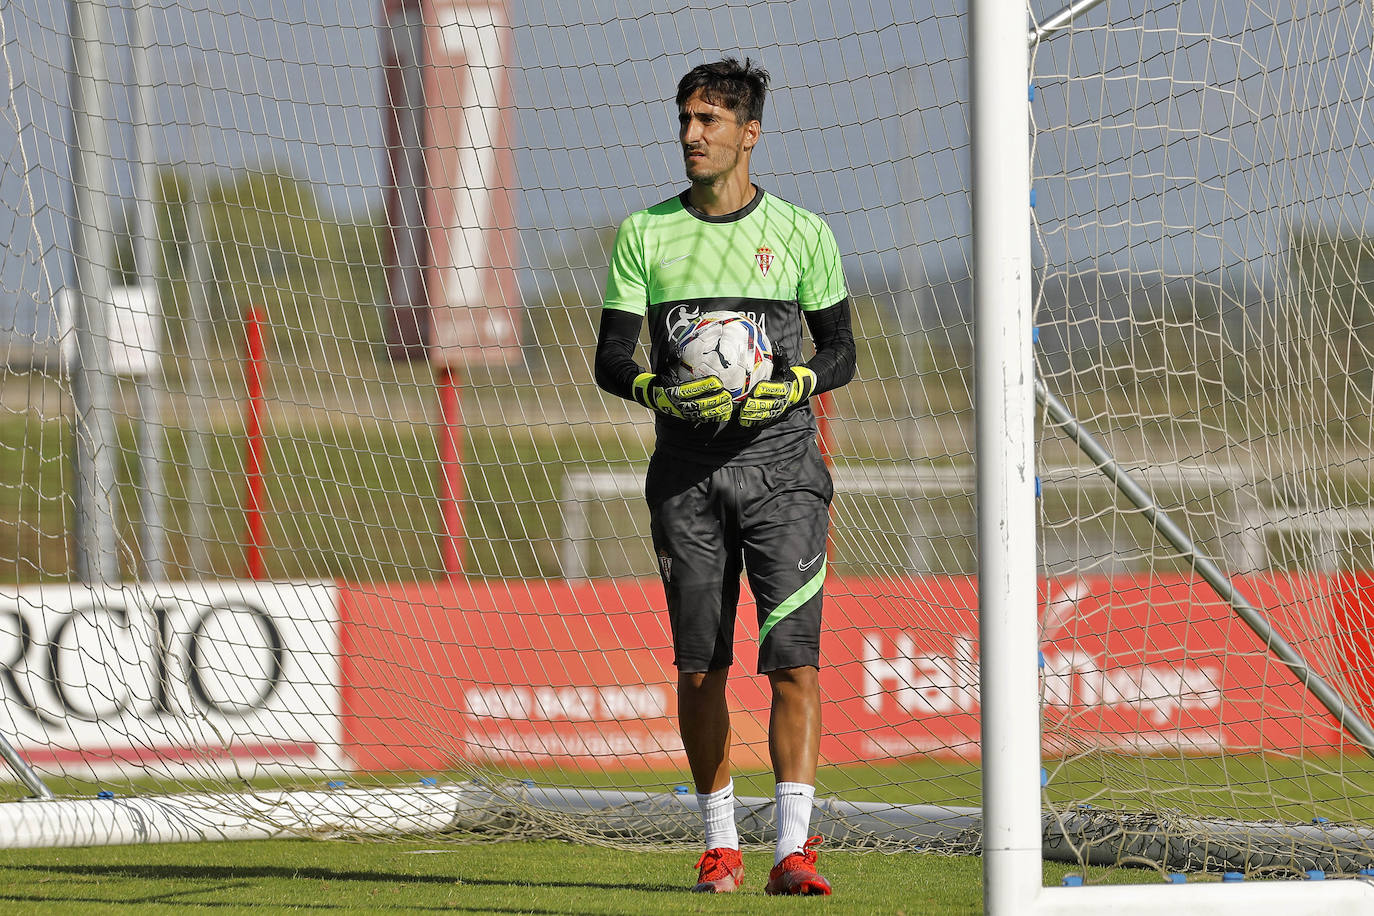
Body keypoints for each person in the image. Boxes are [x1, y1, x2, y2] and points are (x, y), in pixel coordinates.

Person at [593, 57, 856, 896]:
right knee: (700, 668)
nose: (691, 136)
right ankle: (719, 847)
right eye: (685, 120)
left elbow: (842, 350)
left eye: (709, 122)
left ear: (750, 134)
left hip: (784, 475)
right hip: (687, 478)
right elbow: (610, 358)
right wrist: (654, 387)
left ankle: (792, 851)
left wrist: (800, 382)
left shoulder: (805, 234)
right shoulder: (645, 233)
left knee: (794, 665)